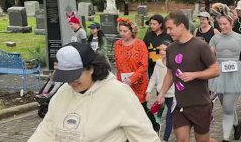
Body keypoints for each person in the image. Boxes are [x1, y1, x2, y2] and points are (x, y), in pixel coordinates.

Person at [28, 42, 160, 142]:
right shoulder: (64, 92)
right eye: (66, 78)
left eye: (75, 76)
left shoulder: (119, 94)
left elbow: (145, 137)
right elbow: (46, 130)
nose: (71, 82)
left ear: (91, 69)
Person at [157, 11, 220, 142]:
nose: (168, 32)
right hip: (180, 105)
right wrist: (162, 92)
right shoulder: (171, 48)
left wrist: (195, 75)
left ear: (181, 26)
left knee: (203, 140)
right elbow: (170, 73)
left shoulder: (201, 46)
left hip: (200, 104)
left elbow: (215, 70)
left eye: (170, 28)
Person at [209, 14, 241, 141]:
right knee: (226, 105)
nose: (223, 27)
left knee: (228, 106)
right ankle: (236, 124)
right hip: (220, 74)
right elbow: (209, 53)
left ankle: (225, 138)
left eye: (225, 24)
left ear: (231, 24)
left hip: (235, 74)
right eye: (220, 24)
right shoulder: (215, 38)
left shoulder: (240, 38)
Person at [114, 17, 160, 132]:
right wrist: (118, 81)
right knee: (126, 107)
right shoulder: (118, 44)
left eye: (125, 31)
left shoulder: (140, 44)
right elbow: (118, 65)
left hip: (139, 82)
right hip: (123, 82)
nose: (122, 34)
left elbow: (144, 66)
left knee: (141, 108)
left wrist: (132, 78)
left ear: (132, 31)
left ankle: (155, 126)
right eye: (121, 31)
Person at [146, 40, 175, 142]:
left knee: (169, 117)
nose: (162, 52)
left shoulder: (174, 63)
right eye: (160, 49)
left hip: (172, 94)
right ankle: (157, 127)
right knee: (158, 114)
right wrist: (148, 91)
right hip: (160, 93)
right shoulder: (158, 62)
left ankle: (165, 139)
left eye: (165, 50)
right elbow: (153, 78)